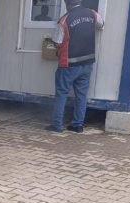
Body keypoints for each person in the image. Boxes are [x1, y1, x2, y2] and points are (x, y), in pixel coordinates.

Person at [48, 0, 104, 133]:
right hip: (87, 62)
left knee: (61, 94)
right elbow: (101, 25)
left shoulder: (64, 20)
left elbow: (57, 42)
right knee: (81, 95)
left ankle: (57, 125)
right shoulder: (92, 14)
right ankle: (78, 125)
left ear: (67, 4)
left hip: (68, 64)